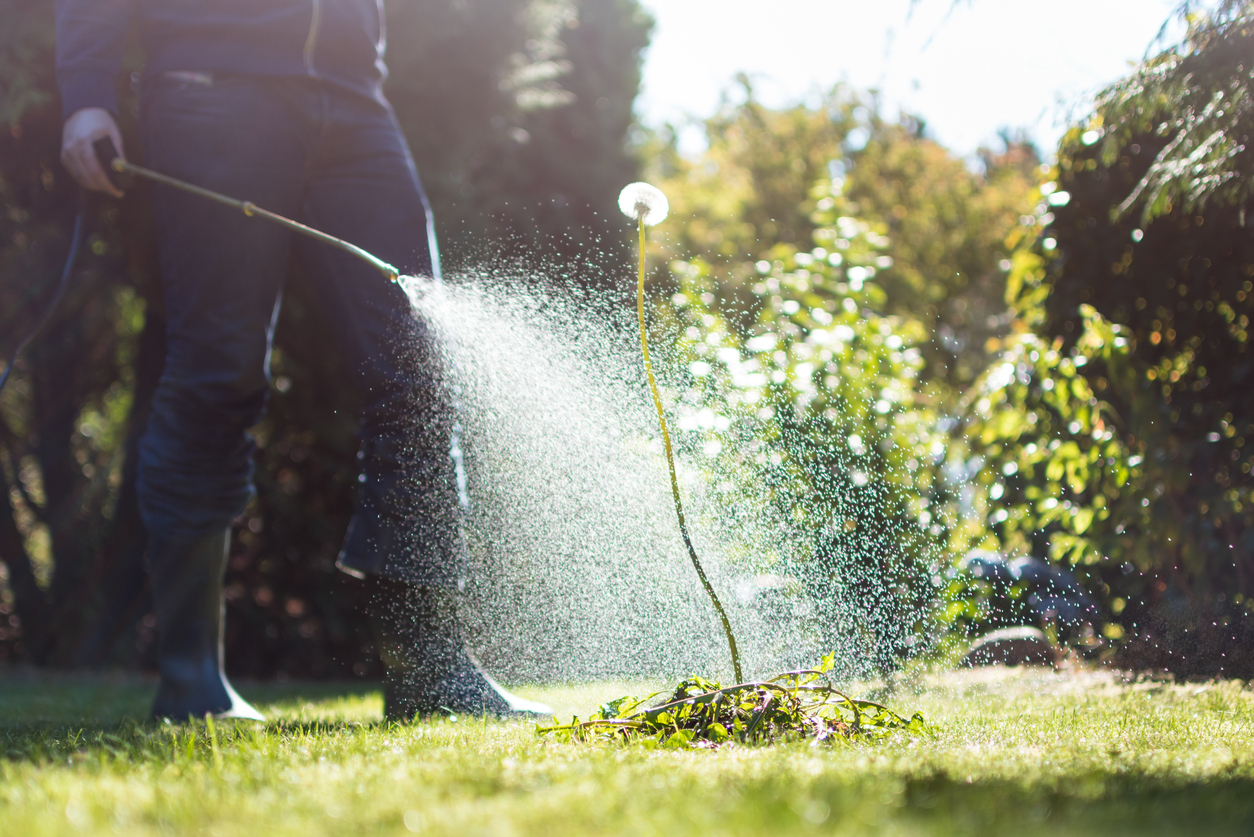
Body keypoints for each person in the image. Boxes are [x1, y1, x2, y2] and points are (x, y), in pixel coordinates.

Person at [56, 0, 550, 721]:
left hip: (355, 99)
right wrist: (87, 94)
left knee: (421, 362)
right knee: (218, 371)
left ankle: (428, 672)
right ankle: (191, 678)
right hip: (212, 85)